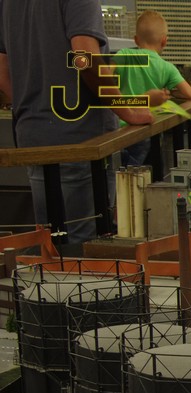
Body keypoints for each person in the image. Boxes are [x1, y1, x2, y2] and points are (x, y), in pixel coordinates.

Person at [0, 0, 152, 245]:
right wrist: (126, 111)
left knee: (49, 244)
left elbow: (2, 70)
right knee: (86, 245)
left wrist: (32, 108)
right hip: (82, 142)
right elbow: (85, 56)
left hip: (33, 139)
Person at [116, 10, 191, 167]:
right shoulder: (167, 67)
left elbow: (104, 79)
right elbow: (189, 93)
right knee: (139, 173)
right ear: (164, 41)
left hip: (119, 128)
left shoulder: (123, 55)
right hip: (145, 129)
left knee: (117, 171)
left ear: (136, 40)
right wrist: (169, 93)